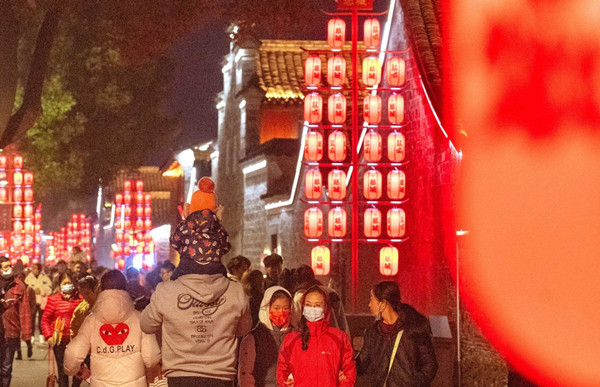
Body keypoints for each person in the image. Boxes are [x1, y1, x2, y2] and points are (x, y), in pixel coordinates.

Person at [141, 176, 252, 386]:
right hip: (222, 377)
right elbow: (243, 329)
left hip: (179, 377)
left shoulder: (166, 292)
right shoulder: (235, 292)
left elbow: (146, 324)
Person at [64, 270, 161, 386]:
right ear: (125, 287)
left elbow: (73, 355)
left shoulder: (91, 321)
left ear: (101, 288)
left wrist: (72, 369)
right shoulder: (138, 318)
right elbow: (151, 358)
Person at [356, 281, 438, 386]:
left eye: (372, 299)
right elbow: (362, 364)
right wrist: (342, 366)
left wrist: (415, 383)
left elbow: (430, 364)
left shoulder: (414, 329)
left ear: (383, 303)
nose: (369, 304)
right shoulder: (373, 333)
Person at [277, 285, 356, 387]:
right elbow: (283, 370)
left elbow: (349, 371)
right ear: (302, 306)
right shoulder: (291, 340)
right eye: (308, 305)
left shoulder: (339, 338)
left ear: (325, 308)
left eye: (318, 305)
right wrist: (286, 383)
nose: (312, 309)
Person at [239, 286, 294, 387]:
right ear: (267, 308)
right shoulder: (254, 338)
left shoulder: (296, 336)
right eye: (276, 308)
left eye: (286, 308)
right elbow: (246, 373)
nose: (281, 312)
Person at [42, 272, 83, 387]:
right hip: (59, 341)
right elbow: (45, 320)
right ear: (59, 285)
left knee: (78, 369)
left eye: (69, 283)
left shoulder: (81, 299)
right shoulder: (53, 300)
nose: (67, 285)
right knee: (62, 371)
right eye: (64, 283)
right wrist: (49, 336)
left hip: (77, 342)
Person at [292, 265, 350, 338]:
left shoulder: (299, 296)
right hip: (335, 338)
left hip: (308, 338)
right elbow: (342, 322)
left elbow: (295, 323)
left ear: (297, 282)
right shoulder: (331, 292)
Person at [0, 257, 32, 386]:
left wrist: (26, 335)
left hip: (11, 331)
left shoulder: (19, 285)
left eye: (9, 266)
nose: (8, 269)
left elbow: (25, 312)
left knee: (6, 368)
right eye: (5, 267)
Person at [25, 263, 52, 344]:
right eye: (32, 268)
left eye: (35, 268)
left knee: (42, 319)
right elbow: (26, 288)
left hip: (42, 302)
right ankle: (32, 336)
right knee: (31, 320)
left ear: (39, 270)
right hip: (32, 302)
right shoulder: (28, 278)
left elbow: (49, 288)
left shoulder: (45, 278)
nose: (33, 270)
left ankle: (41, 335)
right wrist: (33, 290)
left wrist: (42, 291)